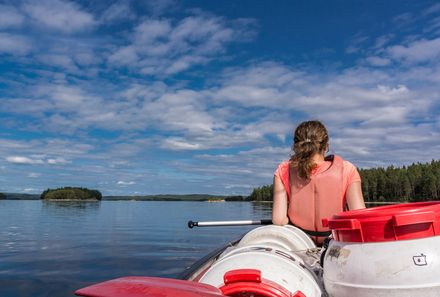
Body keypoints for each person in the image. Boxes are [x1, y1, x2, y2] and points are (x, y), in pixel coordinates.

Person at [272, 120, 365, 245]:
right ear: (326, 146)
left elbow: (278, 220)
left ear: (296, 147)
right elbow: (359, 217)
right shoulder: (347, 169)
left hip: (300, 241)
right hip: (335, 240)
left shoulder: (283, 170)